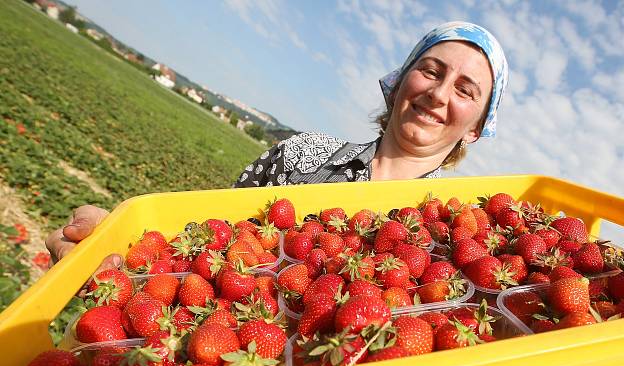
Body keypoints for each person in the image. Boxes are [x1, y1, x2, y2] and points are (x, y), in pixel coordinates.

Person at [46, 21, 509, 271]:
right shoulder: (301, 153)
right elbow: (202, 240)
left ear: (476, 128)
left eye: (466, 90)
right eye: (430, 70)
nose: (439, 93)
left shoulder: (453, 232)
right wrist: (120, 253)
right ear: (401, 80)